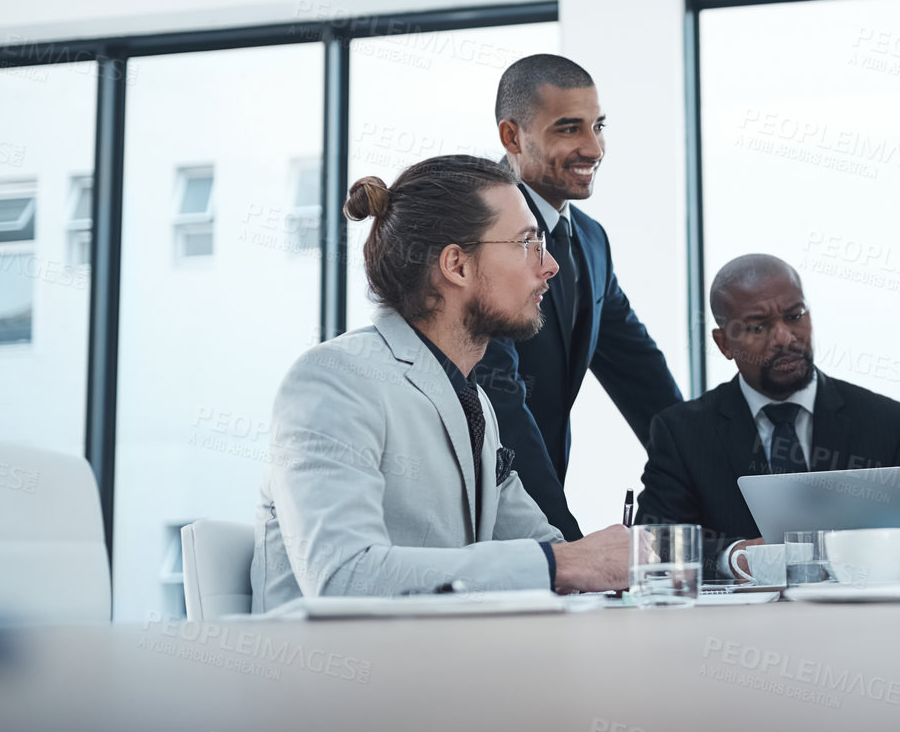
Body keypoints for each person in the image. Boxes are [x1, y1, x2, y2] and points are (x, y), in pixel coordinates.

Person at [251, 155, 630, 612]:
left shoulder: (474, 403)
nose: (549, 265)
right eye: (528, 243)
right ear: (457, 265)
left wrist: (619, 560)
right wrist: (562, 565)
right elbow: (343, 577)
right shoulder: (334, 380)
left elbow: (548, 548)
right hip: (343, 680)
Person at [471, 54, 682, 541]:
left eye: (598, 126)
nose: (594, 147)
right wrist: (565, 542)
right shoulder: (483, 233)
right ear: (511, 136)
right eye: (569, 129)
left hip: (542, 529)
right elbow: (500, 398)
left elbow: (644, 378)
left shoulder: (589, 240)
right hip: (478, 523)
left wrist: (711, 479)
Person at [636, 254, 900, 578]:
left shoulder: (889, 424)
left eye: (795, 316)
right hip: (737, 626)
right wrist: (731, 557)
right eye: (758, 326)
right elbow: (653, 548)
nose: (785, 339)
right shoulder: (682, 433)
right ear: (723, 344)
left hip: (865, 621)